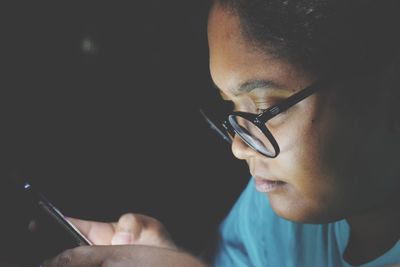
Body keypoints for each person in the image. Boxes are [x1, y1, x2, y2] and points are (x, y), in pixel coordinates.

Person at [42, 0, 400, 266]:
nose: (240, 148)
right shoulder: (274, 211)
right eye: (232, 106)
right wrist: (172, 260)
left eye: (262, 110)